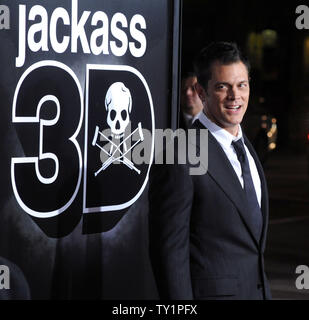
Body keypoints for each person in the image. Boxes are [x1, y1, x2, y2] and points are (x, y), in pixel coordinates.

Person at [148, 41, 271, 300]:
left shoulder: (247, 147)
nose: (234, 96)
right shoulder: (179, 151)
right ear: (202, 93)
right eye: (222, 87)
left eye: (242, 85)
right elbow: (168, 252)